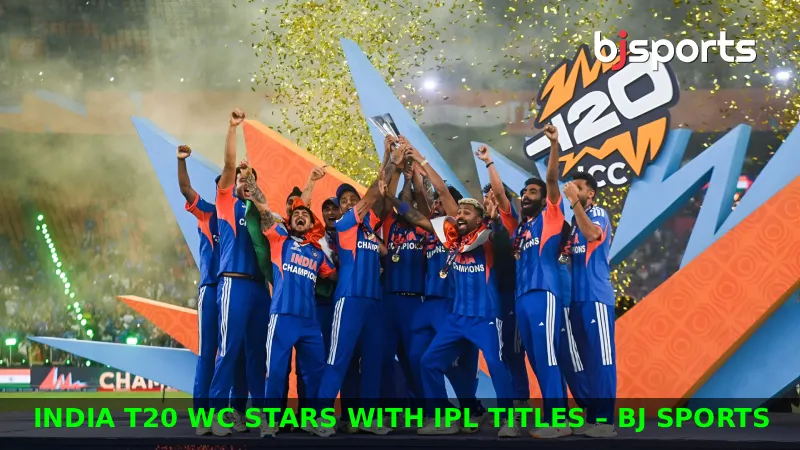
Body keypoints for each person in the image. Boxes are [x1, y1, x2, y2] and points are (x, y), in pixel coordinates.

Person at [385, 163, 518, 437]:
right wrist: (393, 198)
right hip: (457, 319)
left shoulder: (487, 238)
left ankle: (508, 419)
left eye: (466, 212)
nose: (460, 216)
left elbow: (444, 192)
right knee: (427, 363)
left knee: (495, 364)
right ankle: (442, 418)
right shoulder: (450, 239)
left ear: (479, 219)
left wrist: (422, 163)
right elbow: (416, 217)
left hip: (484, 317)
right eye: (458, 213)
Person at [315, 136, 403, 436]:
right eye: (345, 201)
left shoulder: (370, 228)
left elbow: (382, 193)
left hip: (374, 302)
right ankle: (321, 417)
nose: (351, 202)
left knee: (374, 360)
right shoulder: (344, 226)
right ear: (340, 210)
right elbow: (373, 193)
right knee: (338, 359)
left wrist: (391, 162)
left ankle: (367, 417)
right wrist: (389, 158)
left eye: (353, 198)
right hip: (349, 299)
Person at [243, 172, 337, 438]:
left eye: (305, 215)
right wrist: (251, 184)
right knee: (275, 372)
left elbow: (334, 276)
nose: (300, 216)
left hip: (310, 322)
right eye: (296, 214)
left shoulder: (318, 253)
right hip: (282, 317)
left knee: (315, 373)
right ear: (290, 220)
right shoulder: (279, 239)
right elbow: (264, 209)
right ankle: (271, 421)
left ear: (311, 224)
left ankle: (312, 419)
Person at [493, 125, 570, 438]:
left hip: (544, 293)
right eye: (524, 192)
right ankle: (557, 417)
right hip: (521, 298)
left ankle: (558, 421)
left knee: (547, 356)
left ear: (543, 199)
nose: (526, 196)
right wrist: (489, 163)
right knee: (537, 360)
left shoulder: (551, 217)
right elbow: (501, 198)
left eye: (532, 192)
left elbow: (551, 180)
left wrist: (554, 144)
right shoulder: (520, 228)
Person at [208, 109, 270, 437]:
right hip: (233, 283)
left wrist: (254, 185)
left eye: (251, 180)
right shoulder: (225, 203)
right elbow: (229, 165)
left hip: (259, 288)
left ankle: (257, 412)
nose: (245, 183)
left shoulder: (260, 214)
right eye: (241, 180)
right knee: (230, 348)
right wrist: (233, 129)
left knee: (257, 352)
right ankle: (217, 413)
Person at [177, 144, 247, 436]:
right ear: (219, 189)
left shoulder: (245, 216)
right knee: (208, 353)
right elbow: (185, 188)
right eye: (225, 186)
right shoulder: (207, 212)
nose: (229, 190)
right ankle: (203, 417)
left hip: (237, 288)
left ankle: (235, 412)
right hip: (211, 287)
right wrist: (181, 161)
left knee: (236, 352)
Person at [563, 172, 617, 438]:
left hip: (596, 297)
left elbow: (593, 234)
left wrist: (574, 201)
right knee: (584, 362)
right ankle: (592, 416)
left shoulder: (597, 214)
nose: (573, 190)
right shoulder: (574, 223)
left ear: (590, 193)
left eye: (579, 188)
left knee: (602, 359)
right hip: (575, 300)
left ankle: (605, 421)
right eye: (572, 187)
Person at [482, 185, 531, 423]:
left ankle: (521, 401)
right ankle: (506, 404)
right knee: (498, 351)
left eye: (494, 196)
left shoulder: (510, 222)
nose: (489, 200)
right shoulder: (482, 227)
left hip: (511, 293)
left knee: (513, 351)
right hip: (491, 296)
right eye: (486, 197)